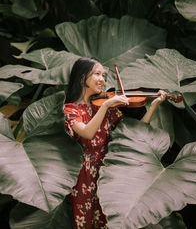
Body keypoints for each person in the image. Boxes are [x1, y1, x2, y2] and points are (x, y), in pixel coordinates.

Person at [64, 57, 167, 229]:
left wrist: (153, 106)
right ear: (82, 78)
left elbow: (133, 131)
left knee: (108, 221)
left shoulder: (104, 106)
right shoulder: (71, 109)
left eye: (104, 75)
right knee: (85, 221)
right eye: (97, 74)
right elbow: (88, 133)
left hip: (109, 171)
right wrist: (106, 107)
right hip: (83, 174)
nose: (102, 80)